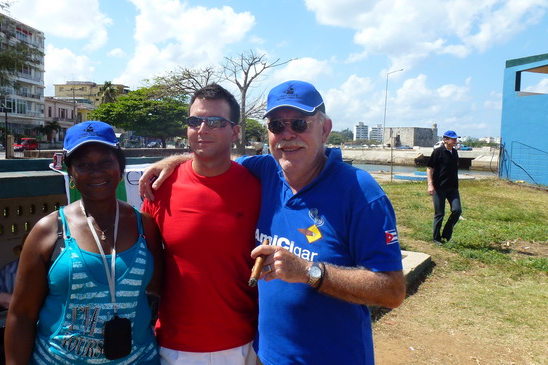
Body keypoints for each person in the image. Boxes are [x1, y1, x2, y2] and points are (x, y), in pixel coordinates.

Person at [140, 80, 406, 365]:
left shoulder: (359, 191)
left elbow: (392, 291)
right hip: (263, 356)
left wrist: (308, 272)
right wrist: (174, 160)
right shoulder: (264, 171)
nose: (287, 135)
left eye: (299, 124)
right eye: (277, 125)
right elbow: (213, 158)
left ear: (325, 129)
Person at [5, 121, 163, 364]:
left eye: (106, 162)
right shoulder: (49, 231)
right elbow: (22, 315)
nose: (96, 171)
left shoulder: (145, 226)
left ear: (120, 169)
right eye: (84, 165)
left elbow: (155, 289)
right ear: (71, 173)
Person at [141, 84, 261, 365]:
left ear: (235, 131)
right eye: (195, 121)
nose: (202, 129)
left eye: (216, 122)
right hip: (173, 346)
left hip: (243, 344)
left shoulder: (259, 185)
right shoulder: (161, 186)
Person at [427, 130, 462, 244]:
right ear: (445, 140)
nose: (455, 141)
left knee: (457, 210)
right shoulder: (438, 152)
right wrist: (430, 184)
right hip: (439, 187)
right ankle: (436, 238)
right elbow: (429, 168)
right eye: (453, 139)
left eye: (456, 139)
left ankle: (446, 234)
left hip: (452, 188)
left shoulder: (455, 153)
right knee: (440, 213)